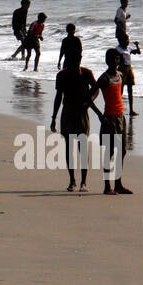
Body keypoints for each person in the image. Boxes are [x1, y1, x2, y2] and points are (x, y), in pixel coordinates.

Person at [51, 62, 101, 192]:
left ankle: (83, 182)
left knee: (82, 147)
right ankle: (72, 180)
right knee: (69, 147)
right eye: (73, 58)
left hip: (82, 112)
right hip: (68, 111)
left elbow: (96, 89)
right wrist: (53, 118)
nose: (76, 61)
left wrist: (88, 102)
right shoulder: (62, 75)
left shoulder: (86, 73)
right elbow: (58, 96)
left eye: (78, 57)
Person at [89, 48, 132, 194]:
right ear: (107, 61)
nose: (116, 62)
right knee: (110, 153)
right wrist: (100, 115)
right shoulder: (104, 78)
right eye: (113, 59)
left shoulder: (120, 75)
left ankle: (118, 183)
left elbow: (119, 94)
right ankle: (107, 186)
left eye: (117, 59)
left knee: (122, 151)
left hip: (120, 117)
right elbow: (90, 97)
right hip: (109, 119)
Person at [116, 30, 140, 116]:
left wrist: (137, 46)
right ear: (120, 41)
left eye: (128, 40)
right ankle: (118, 109)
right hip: (122, 69)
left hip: (129, 69)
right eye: (125, 40)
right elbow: (117, 60)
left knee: (130, 89)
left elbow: (138, 52)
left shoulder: (128, 48)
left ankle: (131, 110)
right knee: (120, 90)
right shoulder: (118, 49)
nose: (127, 42)